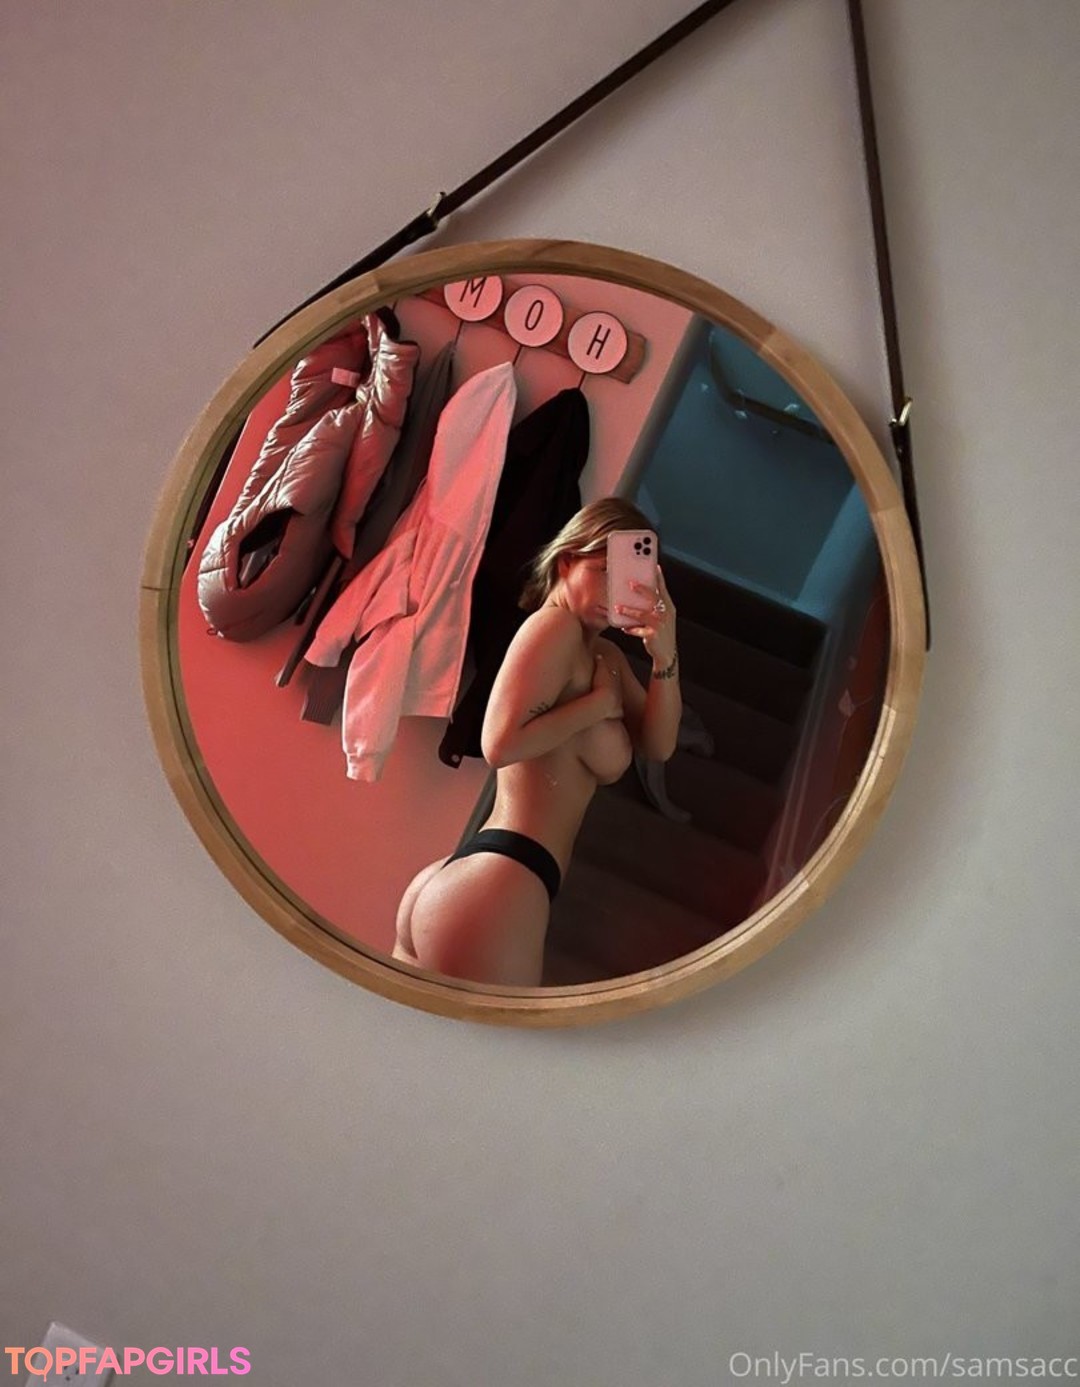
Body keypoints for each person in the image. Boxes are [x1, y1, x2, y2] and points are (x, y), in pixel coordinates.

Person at [392, 497, 682, 986]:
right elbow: (500, 744)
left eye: (629, 576)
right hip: (499, 886)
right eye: (603, 570)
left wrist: (665, 653)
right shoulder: (553, 626)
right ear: (566, 561)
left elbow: (658, 746)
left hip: (488, 882)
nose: (615, 589)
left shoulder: (604, 656)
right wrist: (596, 707)